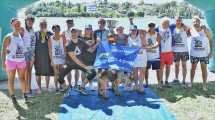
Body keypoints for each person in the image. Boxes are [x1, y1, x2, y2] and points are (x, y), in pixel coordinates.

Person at [57, 28, 97, 94]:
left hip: (80, 63)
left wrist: (97, 43)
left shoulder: (81, 41)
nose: (74, 34)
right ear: (70, 34)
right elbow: (75, 59)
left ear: (77, 33)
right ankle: (65, 88)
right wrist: (85, 67)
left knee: (93, 72)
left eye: (75, 32)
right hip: (69, 63)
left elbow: (90, 50)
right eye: (72, 32)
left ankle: (81, 87)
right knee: (59, 76)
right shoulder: (69, 44)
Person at [1, 18, 30, 104]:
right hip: (11, 61)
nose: (17, 26)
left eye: (19, 24)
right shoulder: (8, 37)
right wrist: (3, 63)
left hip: (21, 61)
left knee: (22, 78)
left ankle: (25, 96)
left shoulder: (21, 35)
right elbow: (3, 51)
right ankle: (13, 97)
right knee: (11, 79)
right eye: (15, 24)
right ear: (11, 26)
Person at [189, 16, 213, 91]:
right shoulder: (191, 30)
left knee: (204, 69)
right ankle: (191, 82)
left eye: (197, 21)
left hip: (204, 55)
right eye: (194, 22)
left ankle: (204, 85)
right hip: (194, 54)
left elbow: (211, 40)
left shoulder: (205, 30)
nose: (196, 23)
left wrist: (211, 52)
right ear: (192, 23)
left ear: (200, 22)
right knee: (193, 69)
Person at [34, 19, 54, 93]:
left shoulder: (50, 34)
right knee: (38, 73)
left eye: (44, 24)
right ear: (39, 25)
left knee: (47, 72)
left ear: (46, 25)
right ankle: (39, 88)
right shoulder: (35, 33)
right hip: (37, 57)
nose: (43, 26)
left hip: (47, 57)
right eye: (41, 24)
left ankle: (47, 87)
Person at [128, 25, 147, 93]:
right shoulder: (128, 38)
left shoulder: (141, 36)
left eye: (135, 30)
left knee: (142, 72)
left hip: (142, 57)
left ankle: (141, 85)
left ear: (137, 30)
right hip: (134, 58)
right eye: (132, 30)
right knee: (135, 73)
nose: (133, 31)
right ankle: (136, 85)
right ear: (129, 31)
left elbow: (145, 45)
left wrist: (142, 38)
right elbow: (127, 49)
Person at [171, 17, 189, 86]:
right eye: (177, 20)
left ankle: (184, 80)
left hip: (184, 50)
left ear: (182, 21)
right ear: (175, 21)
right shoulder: (173, 29)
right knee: (176, 65)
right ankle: (176, 79)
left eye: (179, 20)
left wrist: (184, 26)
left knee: (184, 65)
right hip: (175, 50)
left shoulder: (185, 28)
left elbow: (189, 31)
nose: (178, 22)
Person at [48, 25, 66, 92]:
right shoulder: (50, 38)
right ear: (53, 30)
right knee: (56, 73)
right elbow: (50, 50)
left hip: (61, 58)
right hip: (54, 58)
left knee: (61, 73)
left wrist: (65, 58)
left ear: (60, 29)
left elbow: (64, 48)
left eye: (58, 29)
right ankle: (56, 87)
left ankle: (61, 86)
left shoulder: (62, 37)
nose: (56, 30)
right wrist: (51, 60)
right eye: (55, 29)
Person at [156, 17, 173, 87]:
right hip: (161, 52)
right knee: (161, 68)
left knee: (168, 67)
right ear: (161, 23)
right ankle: (160, 82)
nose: (166, 24)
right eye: (165, 23)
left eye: (168, 23)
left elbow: (181, 24)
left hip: (169, 52)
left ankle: (166, 81)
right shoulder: (158, 29)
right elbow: (149, 30)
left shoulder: (171, 28)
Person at [145, 23, 162, 88]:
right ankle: (146, 83)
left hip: (156, 56)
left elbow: (158, 43)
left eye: (152, 26)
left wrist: (151, 47)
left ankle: (159, 83)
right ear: (148, 27)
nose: (151, 28)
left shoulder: (157, 34)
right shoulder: (145, 34)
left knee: (158, 70)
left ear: (154, 27)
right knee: (146, 70)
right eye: (150, 26)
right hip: (147, 56)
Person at [22, 14, 36, 97]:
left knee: (29, 72)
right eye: (29, 20)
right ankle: (26, 91)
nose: (30, 22)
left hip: (32, 53)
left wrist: (33, 53)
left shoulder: (32, 30)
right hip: (25, 53)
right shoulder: (22, 29)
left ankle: (29, 88)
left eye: (32, 20)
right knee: (26, 72)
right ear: (26, 21)